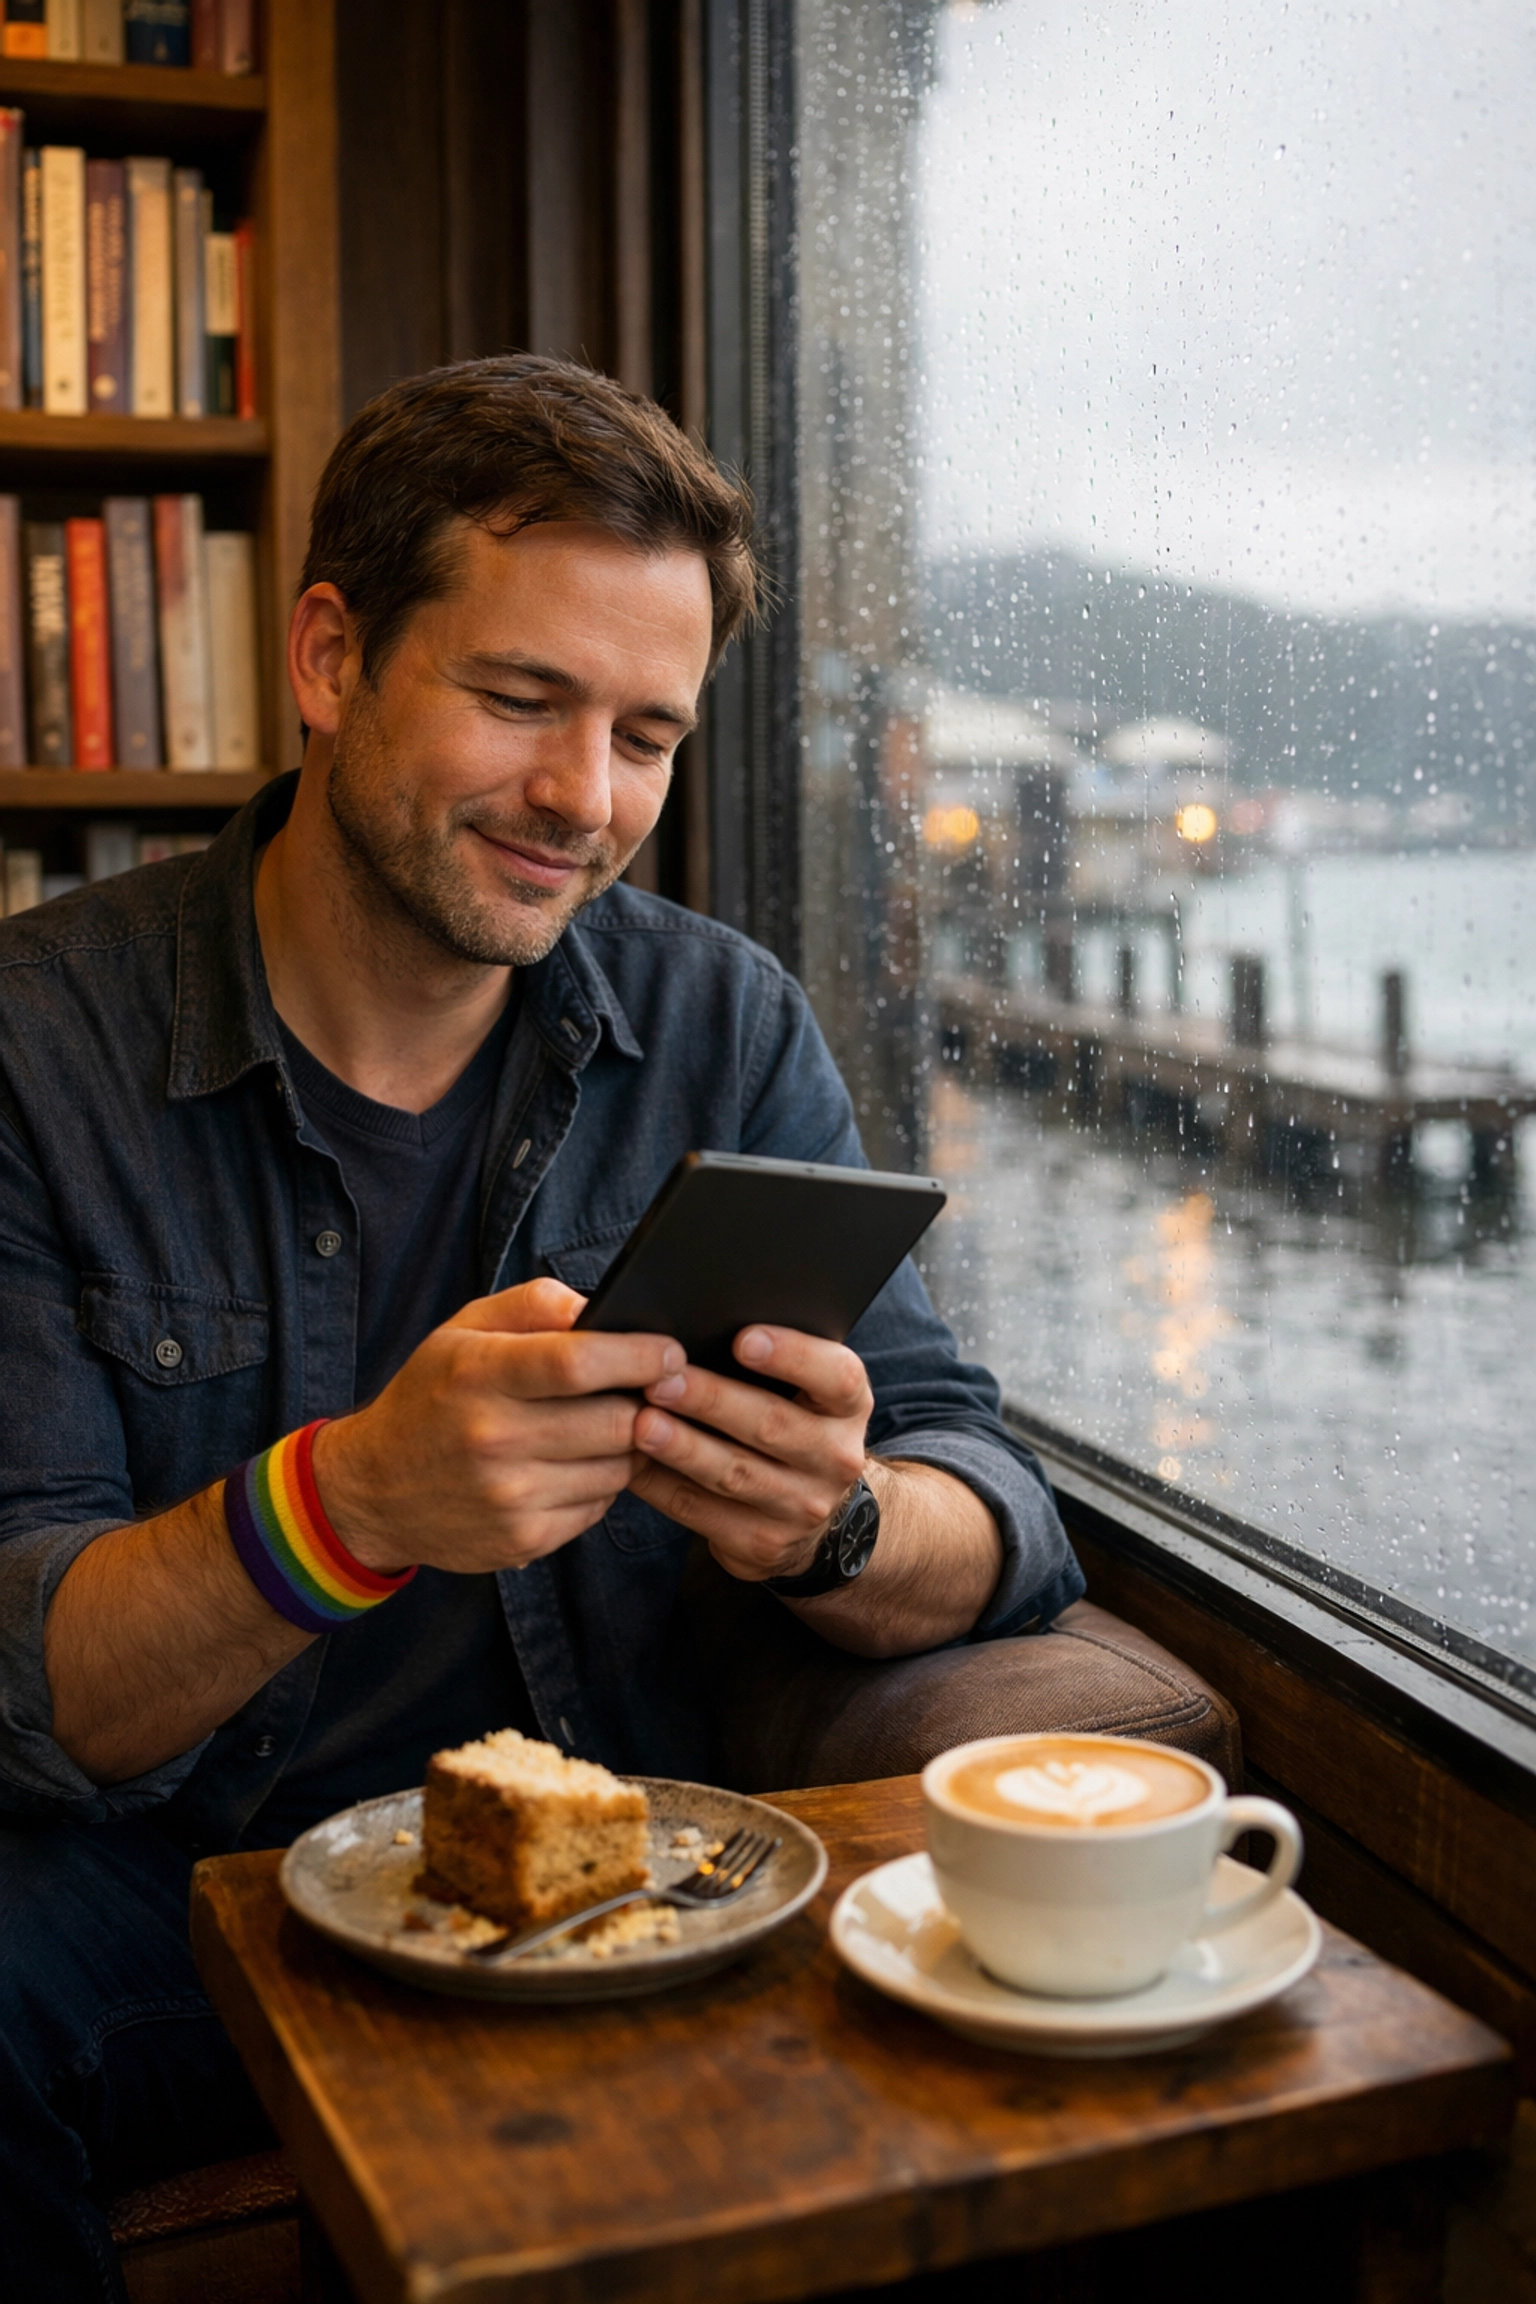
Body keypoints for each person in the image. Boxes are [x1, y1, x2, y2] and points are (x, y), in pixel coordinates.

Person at [0, 355, 1083, 2298]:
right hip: (178, 1893)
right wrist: (350, 1506)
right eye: (521, 701)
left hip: (627, 1878)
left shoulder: (722, 1024)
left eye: (647, 735)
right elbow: (33, 1673)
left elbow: (990, 1502)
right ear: (329, 656)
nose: (586, 800)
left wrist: (831, 1523)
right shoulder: (34, 1045)